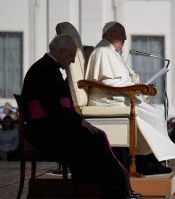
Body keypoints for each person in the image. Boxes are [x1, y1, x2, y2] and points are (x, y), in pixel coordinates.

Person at [21, 34, 141, 199]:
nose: (72, 61)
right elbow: (53, 108)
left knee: (100, 138)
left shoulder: (48, 68)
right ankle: (116, 192)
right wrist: (80, 122)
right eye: (71, 56)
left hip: (52, 126)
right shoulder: (44, 70)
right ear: (61, 52)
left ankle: (115, 190)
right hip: (44, 132)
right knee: (96, 139)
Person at [85, 21, 175, 173]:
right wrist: (137, 89)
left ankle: (150, 160)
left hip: (117, 97)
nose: (125, 39)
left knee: (156, 111)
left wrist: (138, 89)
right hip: (106, 100)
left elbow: (121, 79)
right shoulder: (103, 51)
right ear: (111, 34)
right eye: (122, 35)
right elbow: (107, 82)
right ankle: (147, 161)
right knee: (154, 115)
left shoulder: (112, 52)